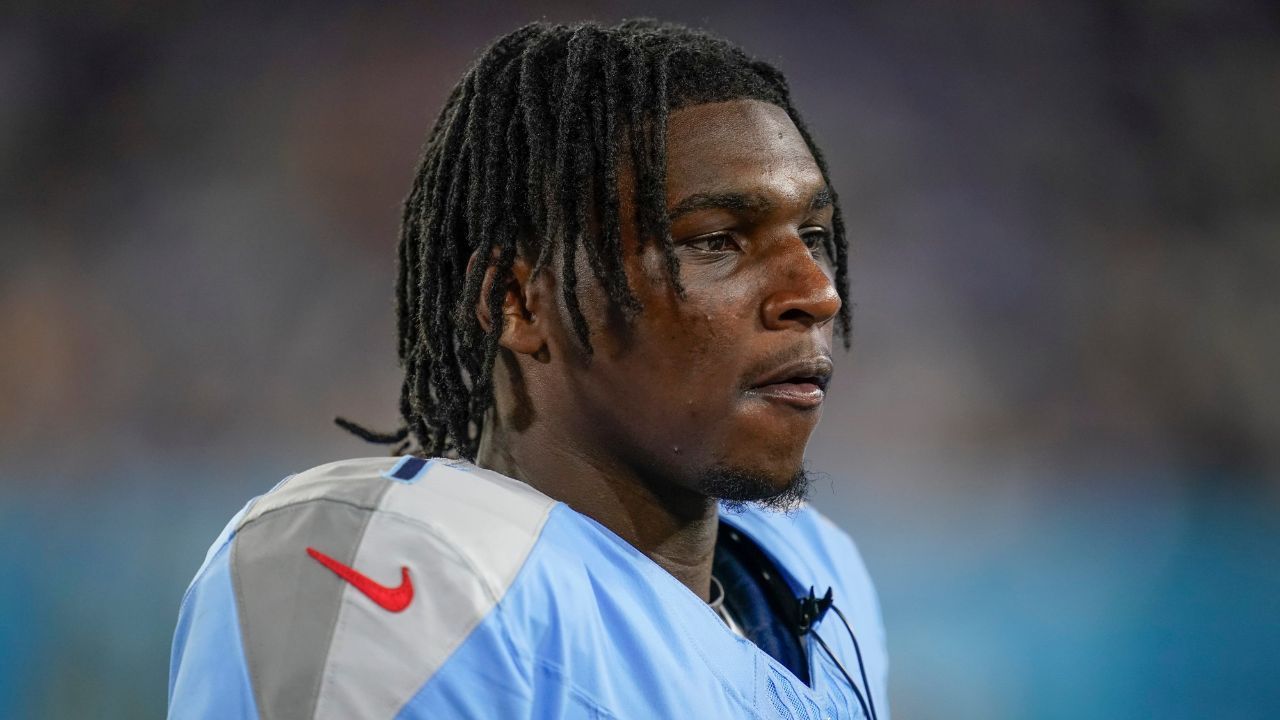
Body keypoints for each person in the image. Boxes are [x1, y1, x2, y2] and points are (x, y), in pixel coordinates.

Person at [168, 19, 888, 720]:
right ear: (514, 300)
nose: (816, 292)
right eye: (715, 242)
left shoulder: (817, 575)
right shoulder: (397, 561)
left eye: (815, 236)